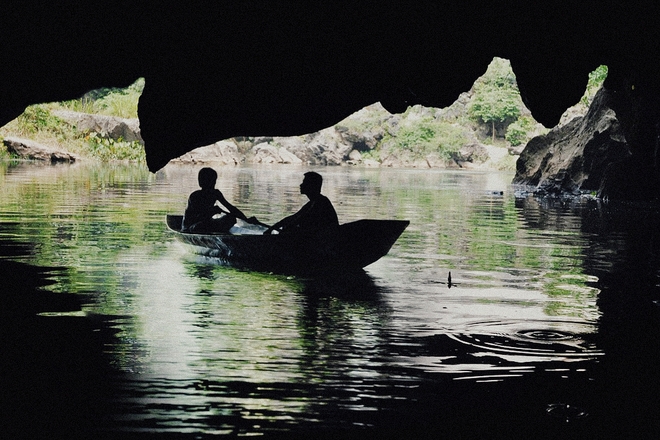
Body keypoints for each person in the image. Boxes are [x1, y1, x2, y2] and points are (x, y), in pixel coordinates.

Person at [182, 167, 259, 233]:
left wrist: (246, 220)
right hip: (191, 227)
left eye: (213, 181)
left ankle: (222, 236)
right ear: (201, 182)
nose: (212, 184)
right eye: (209, 182)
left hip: (207, 223)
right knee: (201, 226)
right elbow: (195, 219)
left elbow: (231, 208)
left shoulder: (215, 193)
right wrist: (211, 212)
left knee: (231, 218)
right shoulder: (195, 196)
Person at [264, 171, 339, 235]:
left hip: (323, 240)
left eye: (305, 182)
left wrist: (283, 230)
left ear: (312, 186)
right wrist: (273, 228)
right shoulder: (313, 202)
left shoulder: (320, 203)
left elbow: (299, 219)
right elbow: (293, 217)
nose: (301, 185)